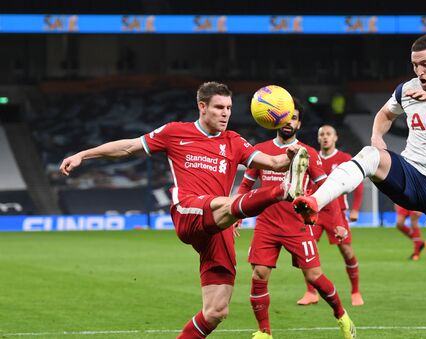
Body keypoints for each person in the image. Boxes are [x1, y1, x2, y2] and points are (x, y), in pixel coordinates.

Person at [59, 82, 308, 339]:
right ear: (202, 107)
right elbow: (128, 147)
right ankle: (282, 192)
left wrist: (291, 155)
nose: (226, 113)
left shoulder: (234, 141)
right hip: (188, 210)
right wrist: (83, 155)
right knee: (224, 203)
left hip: (218, 226)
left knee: (216, 311)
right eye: (219, 107)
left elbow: (275, 163)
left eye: (229, 108)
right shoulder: (175, 132)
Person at [293, 34, 426, 338]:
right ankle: (315, 201)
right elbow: (385, 114)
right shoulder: (407, 89)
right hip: (412, 174)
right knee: (369, 155)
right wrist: (378, 138)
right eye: (415, 65)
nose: (420, 71)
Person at [236, 99, 356, 339]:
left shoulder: (308, 153)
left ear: (299, 123)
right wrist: (236, 215)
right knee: (259, 274)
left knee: (314, 276)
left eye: (294, 118)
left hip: (297, 224)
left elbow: (326, 190)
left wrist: (339, 223)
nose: (289, 122)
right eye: (286, 117)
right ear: (276, 120)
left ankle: (342, 317)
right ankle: (264, 332)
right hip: (266, 224)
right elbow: (246, 185)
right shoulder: (260, 151)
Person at [297, 124, 365, 306]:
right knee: (306, 252)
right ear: (318, 139)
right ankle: (311, 292)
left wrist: (356, 209)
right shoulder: (311, 158)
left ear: (335, 138)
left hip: (337, 212)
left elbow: (358, 185)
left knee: (346, 251)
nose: (325, 137)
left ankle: (355, 291)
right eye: (322, 134)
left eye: (329, 134)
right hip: (315, 211)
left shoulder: (344, 159)